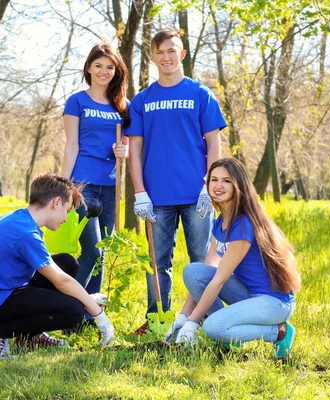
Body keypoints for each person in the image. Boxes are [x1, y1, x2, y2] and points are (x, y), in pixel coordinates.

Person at [126, 29, 227, 334]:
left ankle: (204, 320)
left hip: (197, 195)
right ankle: (158, 320)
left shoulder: (200, 95)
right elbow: (135, 150)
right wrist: (140, 192)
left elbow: (214, 144)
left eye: (172, 51)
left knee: (202, 261)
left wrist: (209, 186)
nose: (166, 57)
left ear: (182, 54)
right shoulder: (142, 100)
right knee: (157, 263)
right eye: (160, 52)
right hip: (156, 198)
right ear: (152, 58)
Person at [0, 174, 115, 359]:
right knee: (72, 311)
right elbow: (60, 281)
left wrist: (86, 298)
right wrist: (97, 314)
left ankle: (29, 338)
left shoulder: (20, 219)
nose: (67, 218)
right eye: (67, 210)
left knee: (66, 263)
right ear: (56, 202)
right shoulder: (26, 234)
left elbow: (55, 272)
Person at [164, 158, 301, 359]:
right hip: (248, 295)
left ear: (239, 186)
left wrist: (193, 323)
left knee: (212, 327)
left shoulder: (244, 225)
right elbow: (206, 272)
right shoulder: (220, 222)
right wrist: (182, 317)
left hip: (273, 303)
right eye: (214, 179)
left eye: (226, 181)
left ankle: (279, 332)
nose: (218, 186)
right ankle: (230, 336)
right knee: (193, 272)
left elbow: (218, 280)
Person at [60, 43, 129, 298]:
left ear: (116, 71)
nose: (104, 71)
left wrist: (124, 151)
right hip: (82, 186)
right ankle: (71, 308)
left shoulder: (123, 106)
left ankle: (92, 312)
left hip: (111, 186)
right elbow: (71, 146)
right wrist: (64, 187)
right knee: (92, 250)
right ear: (88, 68)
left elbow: (127, 147)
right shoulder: (77, 101)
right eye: (98, 65)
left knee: (103, 250)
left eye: (110, 67)